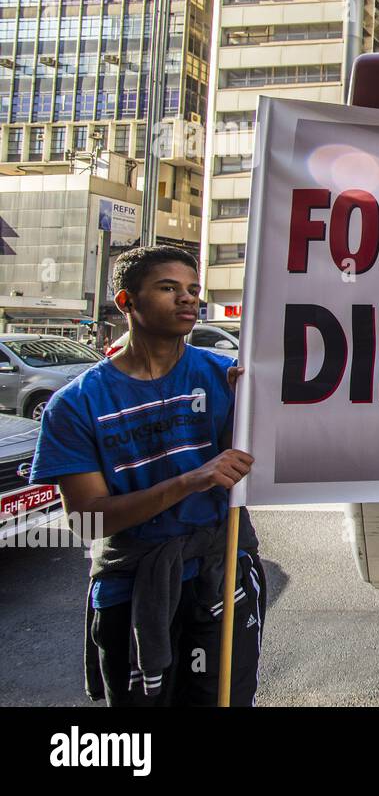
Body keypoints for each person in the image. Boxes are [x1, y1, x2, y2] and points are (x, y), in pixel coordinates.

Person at [29, 246, 263, 706]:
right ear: (126, 302)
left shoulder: (230, 378)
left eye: (193, 289)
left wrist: (258, 409)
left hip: (220, 572)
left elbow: (276, 457)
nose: (188, 299)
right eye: (168, 288)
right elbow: (88, 522)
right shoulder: (75, 405)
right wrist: (190, 481)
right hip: (130, 586)